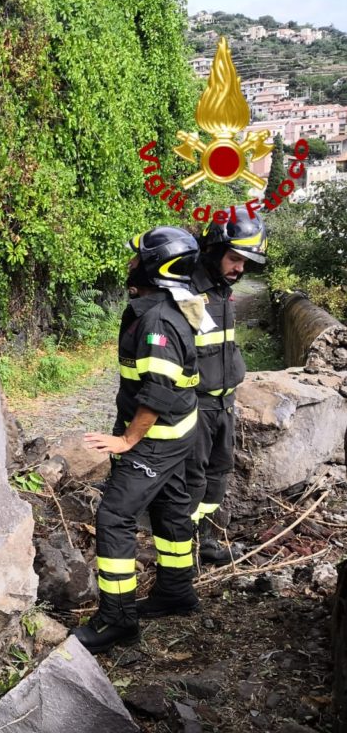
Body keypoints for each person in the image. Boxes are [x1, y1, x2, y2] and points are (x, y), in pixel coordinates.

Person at [76, 226, 205, 654]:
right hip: (179, 435)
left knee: (114, 518)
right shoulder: (170, 306)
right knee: (170, 510)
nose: (130, 262)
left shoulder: (157, 321)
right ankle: (176, 592)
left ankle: (118, 619)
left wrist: (128, 441)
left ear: (155, 265)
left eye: (137, 257)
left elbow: (158, 391)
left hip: (155, 440)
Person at [183, 209, 267, 570]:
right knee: (193, 476)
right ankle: (181, 551)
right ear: (214, 250)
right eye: (235, 259)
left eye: (246, 262)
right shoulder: (186, 292)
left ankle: (209, 542)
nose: (240, 269)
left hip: (224, 401)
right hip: (195, 403)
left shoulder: (223, 291)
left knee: (219, 471)